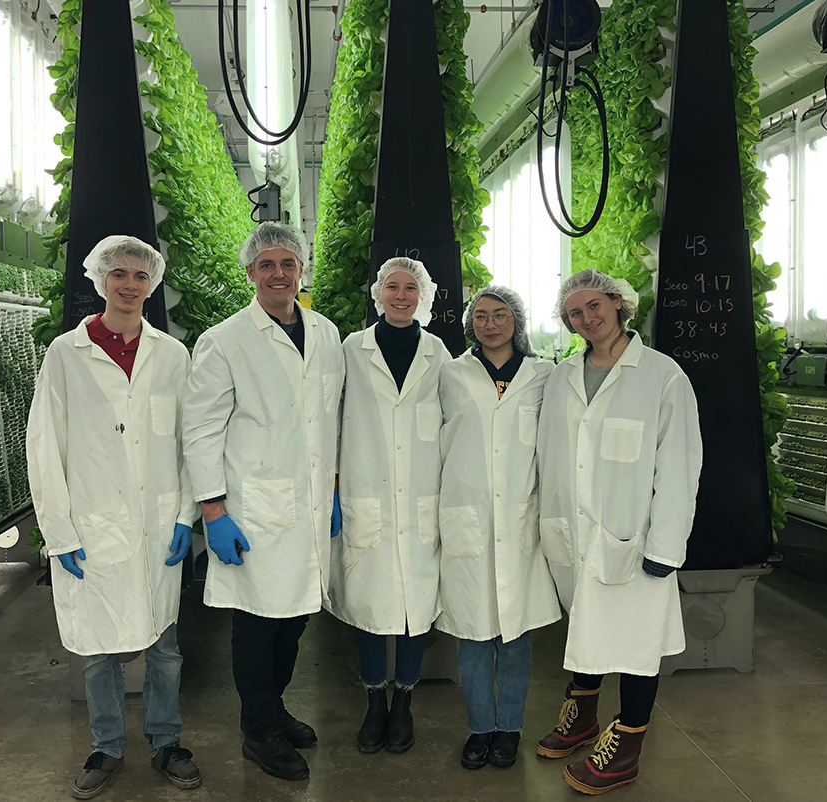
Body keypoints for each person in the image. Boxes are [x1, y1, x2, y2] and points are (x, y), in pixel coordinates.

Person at [27, 235, 202, 799]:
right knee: (99, 648)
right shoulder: (65, 354)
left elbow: (187, 442)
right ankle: (106, 745)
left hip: (158, 527)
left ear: (152, 284)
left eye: (140, 276)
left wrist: (184, 515)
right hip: (92, 524)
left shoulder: (172, 355)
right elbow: (43, 446)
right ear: (100, 280)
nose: (130, 285)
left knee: (165, 646)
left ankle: (165, 740)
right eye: (119, 275)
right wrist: (58, 531)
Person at [181, 222, 345, 782]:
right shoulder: (224, 340)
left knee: (295, 617)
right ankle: (258, 732)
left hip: (311, 503)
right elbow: (201, 429)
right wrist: (213, 512)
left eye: (288, 264)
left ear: (302, 271)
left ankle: (272, 710)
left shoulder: (325, 332)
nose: (279, 274)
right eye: (267, 265)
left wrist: (336, 489)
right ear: (250, 274)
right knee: (257, 624)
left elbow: (330, 418)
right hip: (252, 511)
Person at [534, 268, 702, 795]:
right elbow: (550, 455)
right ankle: (582, 719)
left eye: (593, 306)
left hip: (635, 540)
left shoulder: (662, 375)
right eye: (574, 313)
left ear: (617, 302)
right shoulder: (562, 376)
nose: (586, 319)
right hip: (577, 537)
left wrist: (666, 546)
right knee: (588, 629)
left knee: (634, 645)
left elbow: (679, 465)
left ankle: (625, 747)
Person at [328, 256, 452, 755]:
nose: (401, 296)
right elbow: (330, 417)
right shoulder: (351, 350)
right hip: (367, 491)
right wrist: (333, 487)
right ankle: (374, 702)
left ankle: (404, 703)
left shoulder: (439, 353)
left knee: (416, 610)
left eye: (410, 288)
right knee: (369, 606)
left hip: (423, 495)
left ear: (423, 295)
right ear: (378, 294)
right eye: (392, 287)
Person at [435, 286, 561, 770]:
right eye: (481, 316)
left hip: (519, 522)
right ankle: (479, 729)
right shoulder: (451, 373)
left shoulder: (542, 376)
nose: (491, 324)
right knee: (473, 635)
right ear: (470, 324)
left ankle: (509, 729)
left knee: (515, 637)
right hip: (466, 517)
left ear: (517, 321)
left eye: (500, 315)